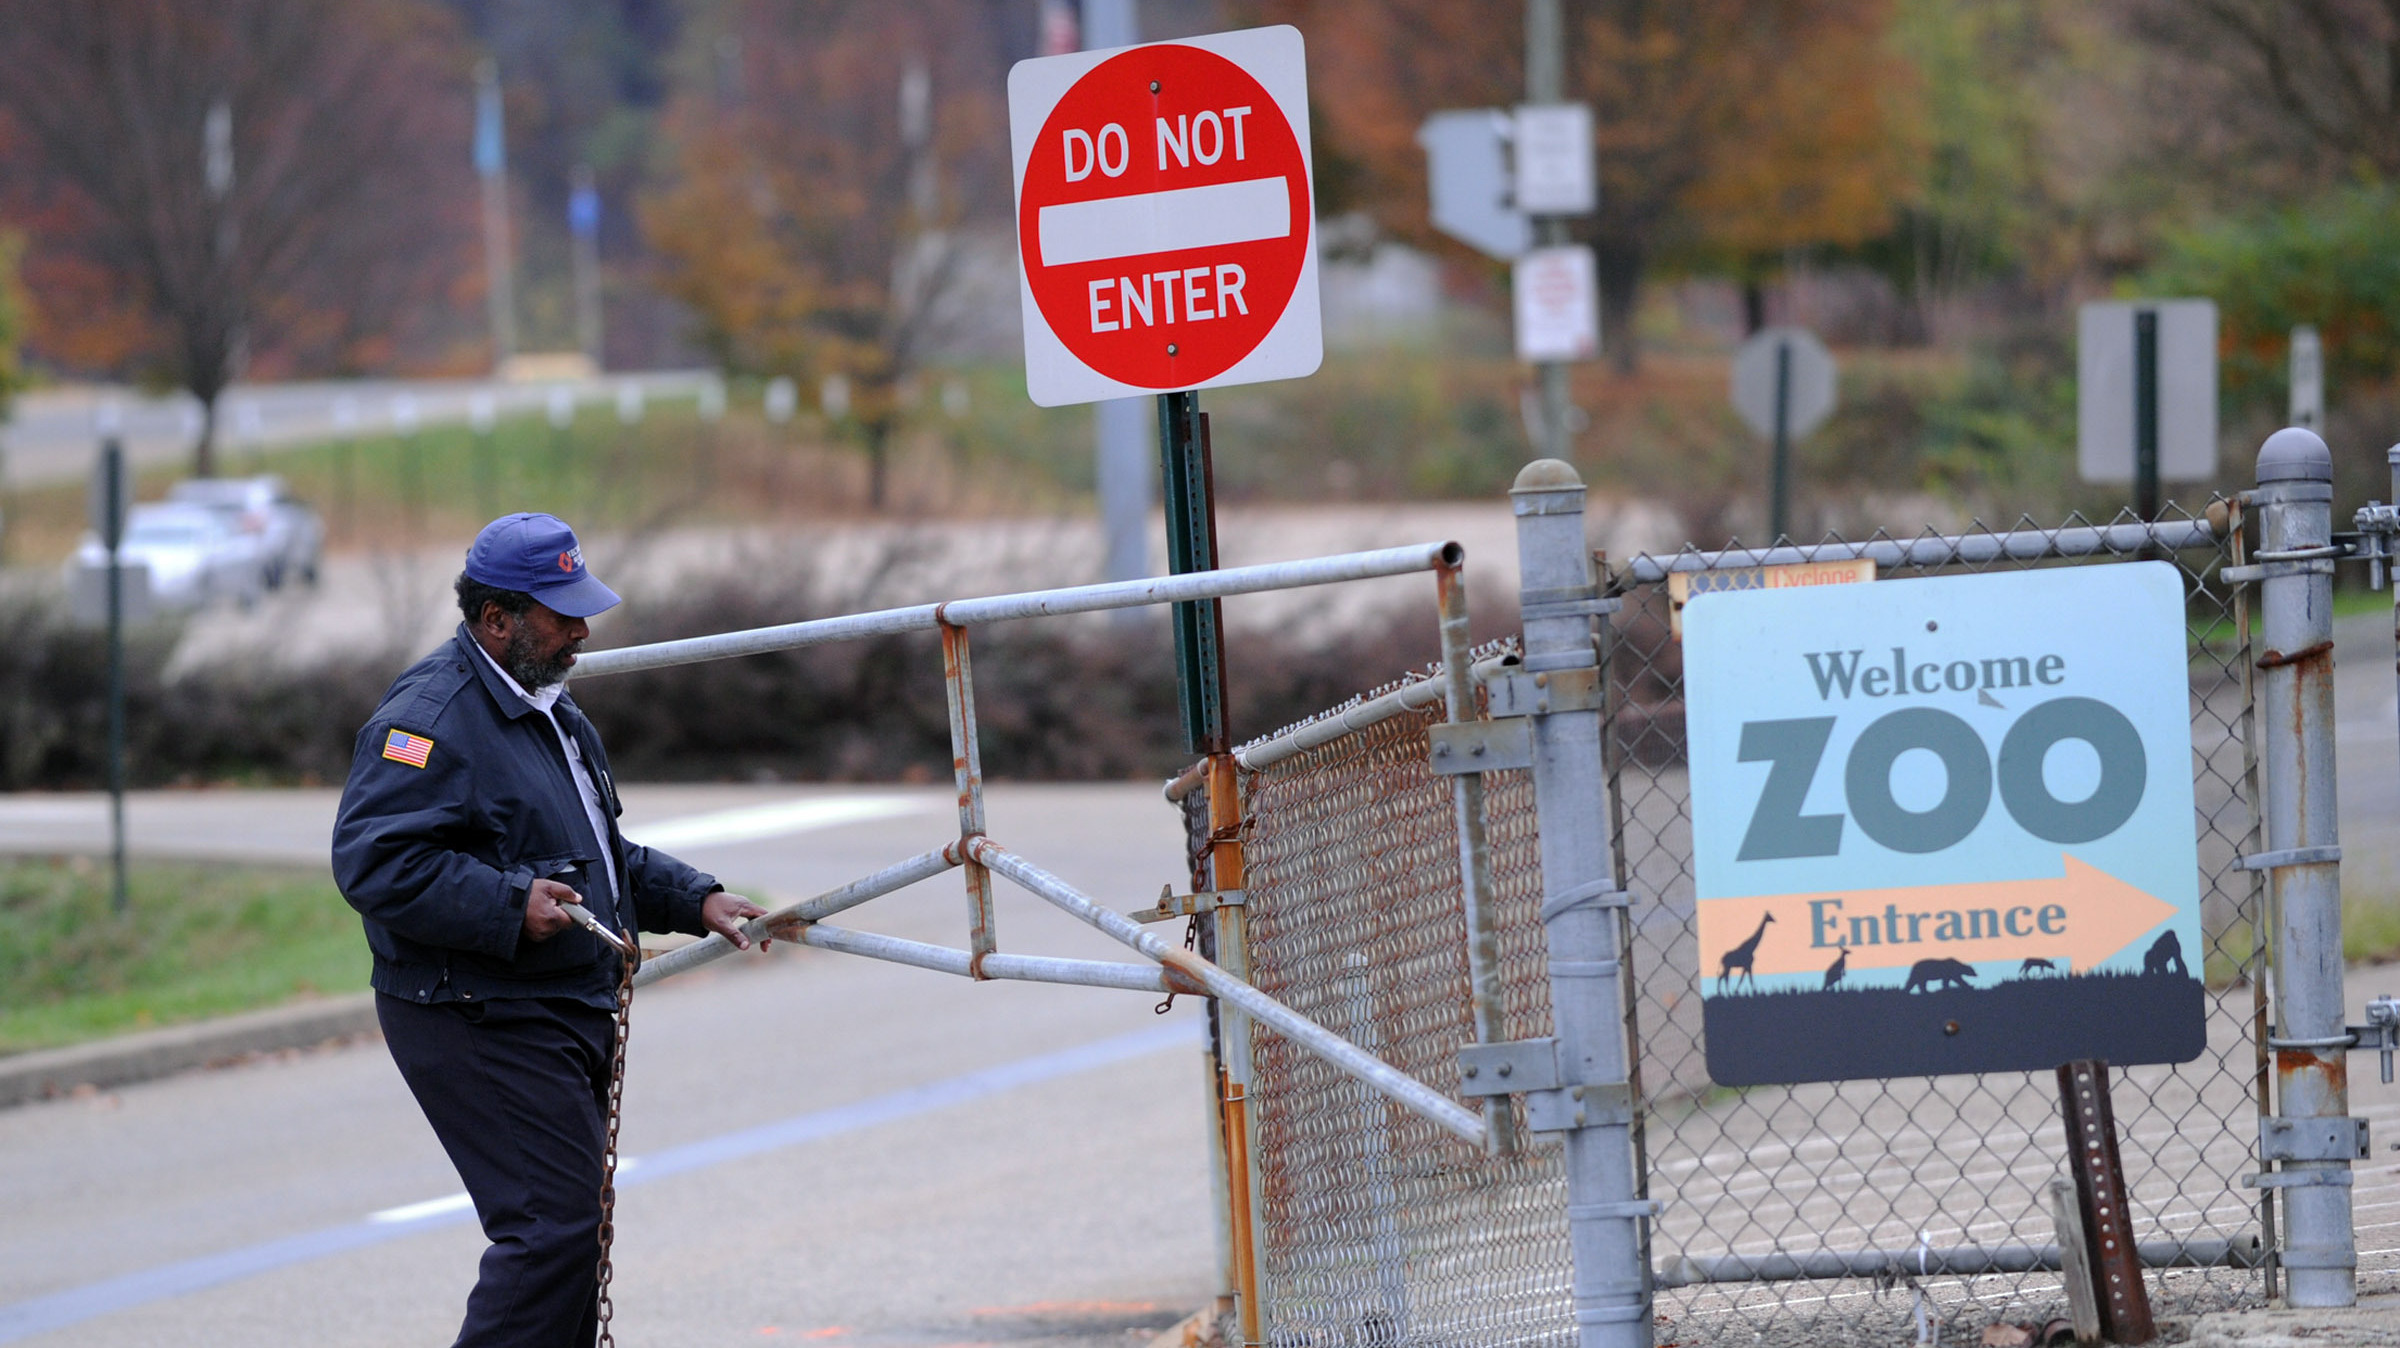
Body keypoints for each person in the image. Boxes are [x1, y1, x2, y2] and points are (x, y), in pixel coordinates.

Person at [333, 512, 766, 1348]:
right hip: (473, 1010)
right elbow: (375, 866)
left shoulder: (555, 713)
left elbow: (598, 858)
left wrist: (698, 898)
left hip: (557, 1004)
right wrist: (508, 905)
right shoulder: (428, 719)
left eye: (582, 607)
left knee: (572, 1233)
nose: (581, 629)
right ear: (497, 619)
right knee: (548, 1231)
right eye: (560, 612)